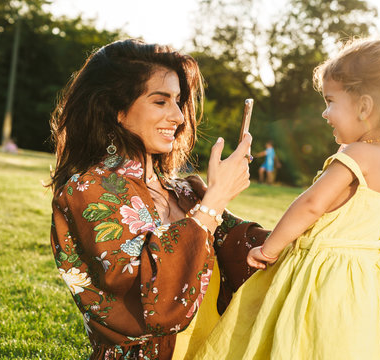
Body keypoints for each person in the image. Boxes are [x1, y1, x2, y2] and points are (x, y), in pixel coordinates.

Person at [194, 38, 380, 359]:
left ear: (364, 106)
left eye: (331, 101)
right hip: (364, 278)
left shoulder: (355, 154)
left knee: (303, 339)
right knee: (339, 344)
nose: (325, 112)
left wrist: (270, 248)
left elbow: (310, 205)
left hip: (324, 273)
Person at [48, 39, 270, 360]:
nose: (179, 117)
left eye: (179, 101)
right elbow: (147, 302)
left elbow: (246, 247)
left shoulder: (184, 190)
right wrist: (215, 201)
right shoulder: (87, 190)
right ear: (117, 111)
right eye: (160, 101)